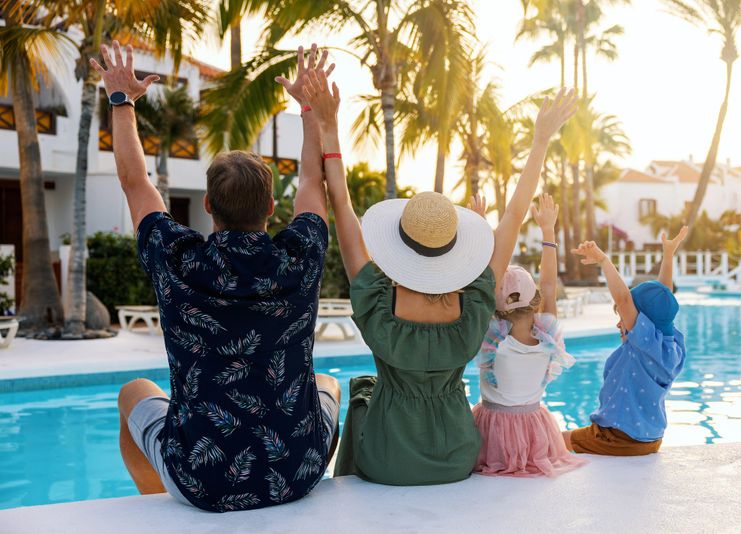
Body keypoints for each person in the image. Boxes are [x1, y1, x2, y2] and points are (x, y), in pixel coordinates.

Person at [90, 41, 341, 512]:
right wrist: (309, 109)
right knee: (329, 383)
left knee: (134, 394)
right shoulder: (299, 257)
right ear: (270, 208)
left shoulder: (177, 259)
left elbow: (135, 182)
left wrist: (122, 102)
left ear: (207, 206)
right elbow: (312, 183)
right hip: (297, 472)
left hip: (200, 481)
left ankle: (161, 507)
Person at [299, 67, 577, 485]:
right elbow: (516, 215)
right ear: (453, 250)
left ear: (400, 245)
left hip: (387, 460)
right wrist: (540, 140)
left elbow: (341, 205)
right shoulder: (475, 302)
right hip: (456, 457)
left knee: (362, 392)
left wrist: (328, 127)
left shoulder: (378, 299)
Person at [470, 193, 587, 477]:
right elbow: (549, 284)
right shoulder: (547, 336)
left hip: (493, 431)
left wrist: (481, 226)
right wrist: (548, 230)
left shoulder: (491, 338)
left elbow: (486, 275)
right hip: (536, 428)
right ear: (534, 299)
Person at [563, 227, 689, 456]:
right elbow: (664, 296)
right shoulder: (671, 346)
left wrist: (604, 260)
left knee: (554, 439)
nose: (620, 324)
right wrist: (668, 255)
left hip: (619, 437)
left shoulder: (643, 342)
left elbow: (622, 298)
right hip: (651, 438)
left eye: (623, 318)